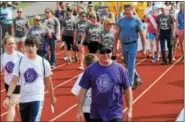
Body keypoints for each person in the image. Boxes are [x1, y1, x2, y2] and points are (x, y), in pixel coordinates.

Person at [3, 35, 57, 122]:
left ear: (37, 47)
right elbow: (14, 81)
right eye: (28, 46)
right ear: (25, 47)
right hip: (23, 98)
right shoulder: (20, 62)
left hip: (37, 97)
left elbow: (48, 82)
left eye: (32, 46)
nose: (30, 48)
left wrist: (52, 97)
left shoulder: (44, 63)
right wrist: (8, 96)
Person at [76, 44, 133, 122]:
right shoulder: (90, 70)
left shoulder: (120, 69)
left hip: (115, 113)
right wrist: (79, 111)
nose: (106, 55)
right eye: (102, 52)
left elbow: (127, 89)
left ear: (111, 52)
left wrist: (130, 109)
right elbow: (83, 91)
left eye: (108, 51)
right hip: (96, 114)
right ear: (97, 54)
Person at [114, 4, 146, 90]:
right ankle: (137, 78)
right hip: (124, 45)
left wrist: (144, 49)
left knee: (131, 65)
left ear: (133, 10)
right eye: (126, 10)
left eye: (129, 10)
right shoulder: (121, 20)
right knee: (128, 65)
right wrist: (114, 48)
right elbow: (116, 34)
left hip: (133, 45)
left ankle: (129, 84)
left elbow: (142, 35)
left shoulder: (137, 20)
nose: (127, 12)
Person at [0, 35, 23, 121]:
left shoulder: (20, 56)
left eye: (13, 43)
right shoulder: (2, 57)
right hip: (7, 84)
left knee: (11, 105)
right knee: (17, 106)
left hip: (18, 84)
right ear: (5, 45)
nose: (11, 46)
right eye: (9, 44)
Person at [71, 54, 98, 121]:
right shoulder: (101, 74)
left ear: (84, 64)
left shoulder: (82, 75)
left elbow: (75, 91)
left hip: (87, 107)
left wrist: (79, 110)